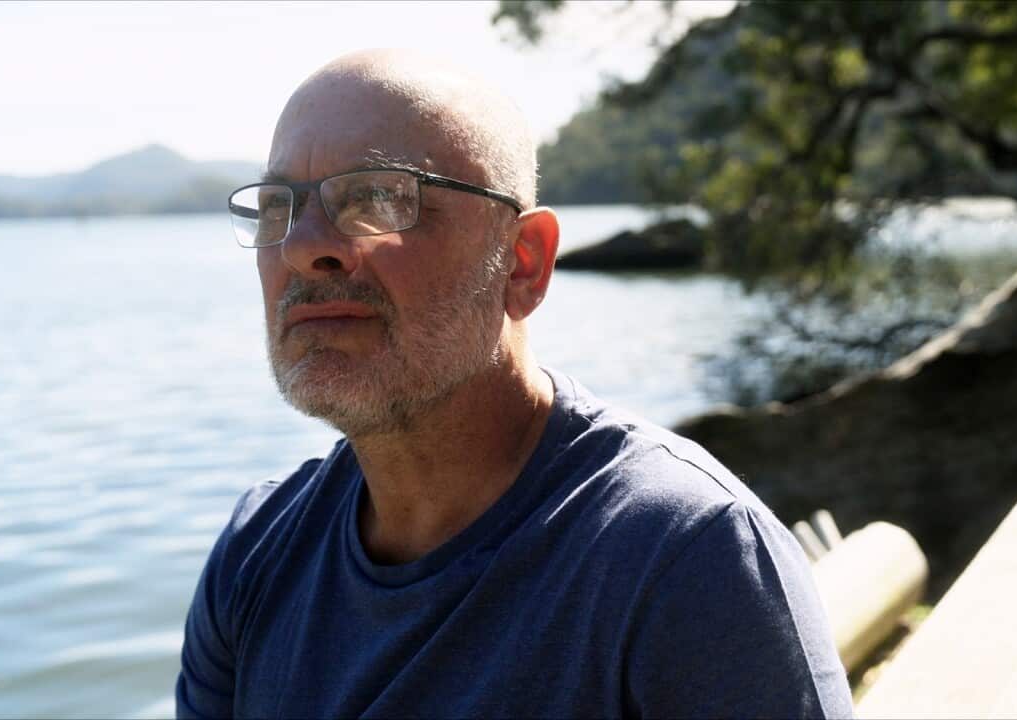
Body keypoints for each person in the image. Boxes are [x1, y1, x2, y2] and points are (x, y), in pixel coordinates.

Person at [176, 49, 853, 719]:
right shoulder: (256, 554)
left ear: (523, 263)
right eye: (279, 207)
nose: (301, 246)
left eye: (378, 196)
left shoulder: (684, 559)